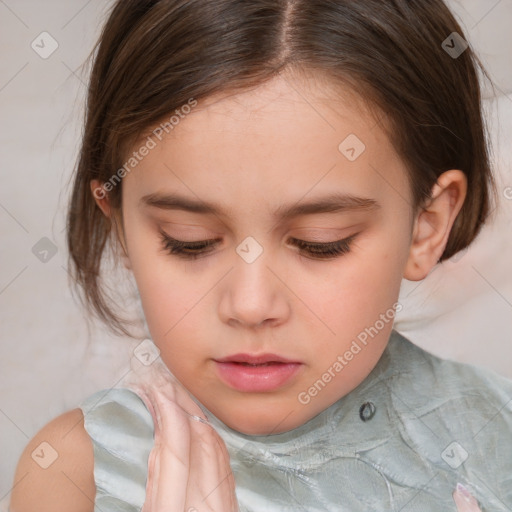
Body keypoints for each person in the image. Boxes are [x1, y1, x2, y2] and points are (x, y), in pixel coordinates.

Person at [9, 0, 511, 510]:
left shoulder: (498, 437)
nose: (250, 305)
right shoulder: (77, 472)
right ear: (119, 227)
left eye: (321, 242)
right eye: (188, 240)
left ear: (426, 227)